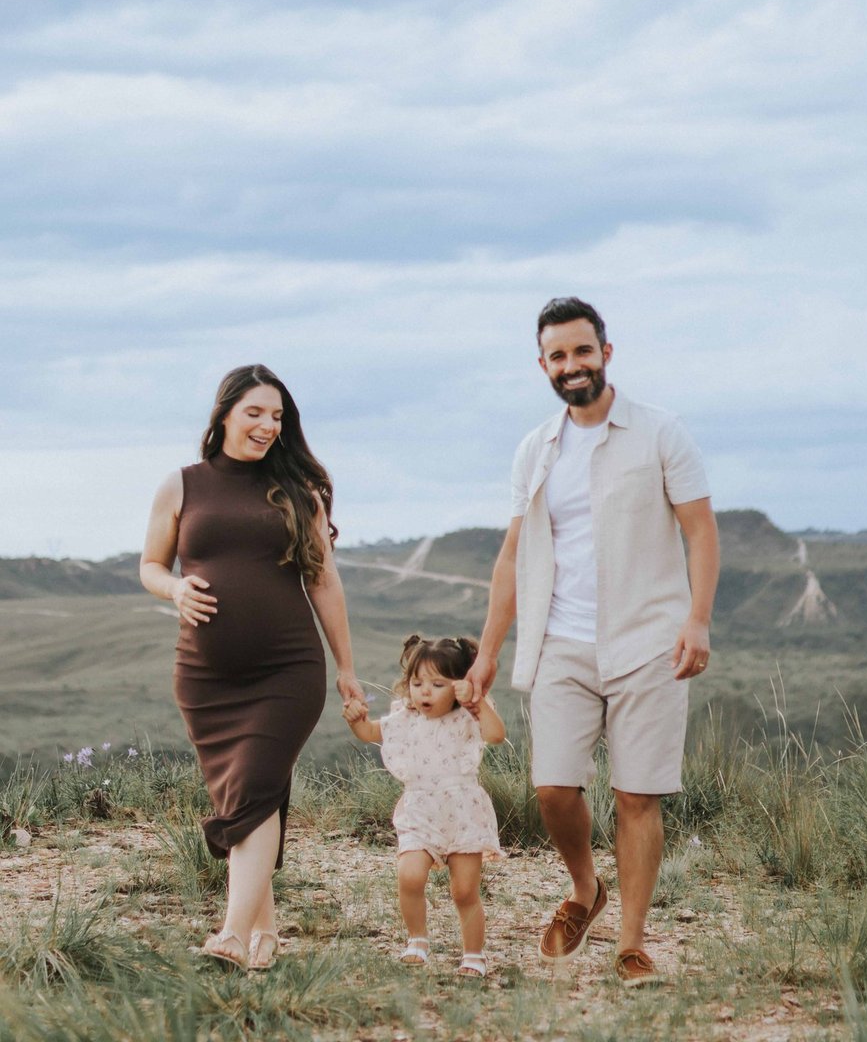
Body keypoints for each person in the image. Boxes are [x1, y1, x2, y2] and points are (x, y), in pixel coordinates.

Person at [466, 296, 719, 987]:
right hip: (561, 643)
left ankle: (631, 944)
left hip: (649, 641)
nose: (571, 364)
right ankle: (585, 888)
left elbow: (700, 530)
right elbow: (512, 557)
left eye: (582, 351)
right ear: (543, 365)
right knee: (552, 788)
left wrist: (697, 619)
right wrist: (488, 652)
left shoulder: (660, 433)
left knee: (638, 796)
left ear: (606, 353)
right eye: (558, 355)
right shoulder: (536, 449)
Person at [140, 363, 365, 971]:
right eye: (255, 413)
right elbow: (151, 565)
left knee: (255, 792)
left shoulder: (298, 491)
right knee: (246, 799)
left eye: (278, 416)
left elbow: (323, 581)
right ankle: (265, 934)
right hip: (205, 679)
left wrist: (346, 668)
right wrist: (174, 589)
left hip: (286, 672)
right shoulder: (181, 485)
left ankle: (231, 937)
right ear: (225, 415)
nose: (268, 426)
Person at [343, 633, 505, 979]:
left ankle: (473, 953)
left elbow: (496, 735)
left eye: (437, 684)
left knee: (464, 891)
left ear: (458, 686)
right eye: (417, 683)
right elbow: (371, 732)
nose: (424, 692)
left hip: (462, 812)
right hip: (419, 810)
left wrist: (477, 702)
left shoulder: (468, 718)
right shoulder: (405, 718)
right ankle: (417, 938)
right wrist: (356, 720)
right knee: (410, 875)